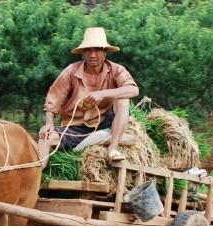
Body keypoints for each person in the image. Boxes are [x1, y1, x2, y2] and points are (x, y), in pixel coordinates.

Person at [38, 27, 139, 168]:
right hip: (75, 128)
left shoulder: (116, 70)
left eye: (97, 50)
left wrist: (102, 94)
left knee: (123, 98)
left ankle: (113, 149)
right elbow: (53, 99)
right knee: (46, 137)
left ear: (105, 52)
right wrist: (49, 124)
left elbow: (133, 90)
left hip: (106, 124)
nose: (93, 55)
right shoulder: (71, 71)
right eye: (88, 50)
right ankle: (39, 174)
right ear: (83, 53)